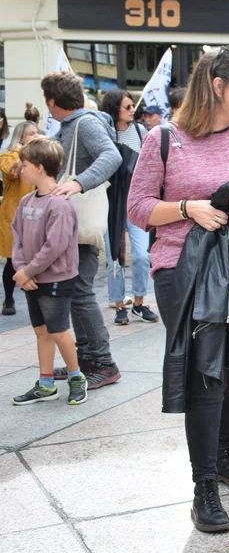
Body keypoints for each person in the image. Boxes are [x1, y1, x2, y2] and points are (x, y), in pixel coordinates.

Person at [127, 46, 229, 533]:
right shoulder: (164, 139)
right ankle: (203, 488)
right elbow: (138, 207)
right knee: (206, 375)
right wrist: (188, 208)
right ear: (217, 87)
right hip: (185, 271)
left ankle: (222, 457)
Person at [41, 70, 122, 390]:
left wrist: (78, 183)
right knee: (76, 293)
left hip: (81, 223)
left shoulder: (85, 123)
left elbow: (111, 156)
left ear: (52, 101)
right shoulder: (74, 124)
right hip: (72, 224)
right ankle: (86, 359)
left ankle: (104, 362)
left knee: (81, 293)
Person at [9, 138, 87, 406]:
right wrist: (22, 270)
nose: (21, 170)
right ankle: (46, 384)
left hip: (56, 279)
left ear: (39, 167)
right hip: (31, 278)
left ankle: (76, 378)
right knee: (41, 332)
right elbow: (17, 235)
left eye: (25, 165)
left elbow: (55, 245)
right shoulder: (26, 201)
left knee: (57, 331)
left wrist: (28, 271)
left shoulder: (59, 205)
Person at [100, 89, 156, 326]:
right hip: (110, 201)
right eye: (127, 107)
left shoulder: (140, 131)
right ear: (115, 109)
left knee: (142, 255)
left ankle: (139, 303)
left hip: (135, 201)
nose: (133, 110)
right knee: (114, 256)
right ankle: (119, 305)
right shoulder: (104, 132)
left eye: (133, 106)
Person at [0, 121, 40, 316]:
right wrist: (22, 152)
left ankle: (35, 297)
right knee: (12, 259)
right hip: (13, 214)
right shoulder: (8, 156)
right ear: (21, 136)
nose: (36, 136)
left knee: (33, 257)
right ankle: (8, 299)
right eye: (31, 133)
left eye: (37, 133)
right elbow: (10, 172)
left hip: (34, 214)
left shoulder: (37, 158)